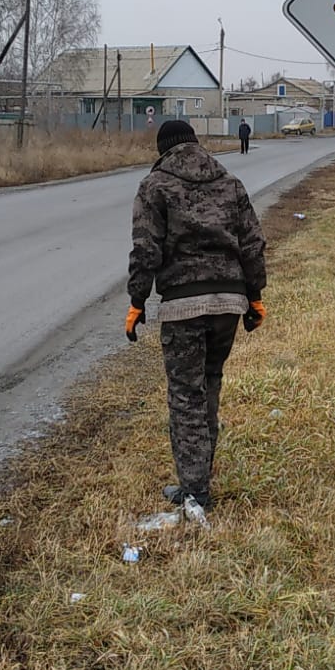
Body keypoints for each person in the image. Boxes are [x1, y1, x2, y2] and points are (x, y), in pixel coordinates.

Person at [126, 119, 267, 510]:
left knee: (186, 396)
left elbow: (145, 250)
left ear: (164, 150)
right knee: (210, 383)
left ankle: (194, 491)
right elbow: (253, 244)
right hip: (229, 304)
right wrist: (255, 296)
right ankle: (199, 479)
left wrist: (137, 300)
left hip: (183, 305)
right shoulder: (230, 183)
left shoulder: (154, 186)